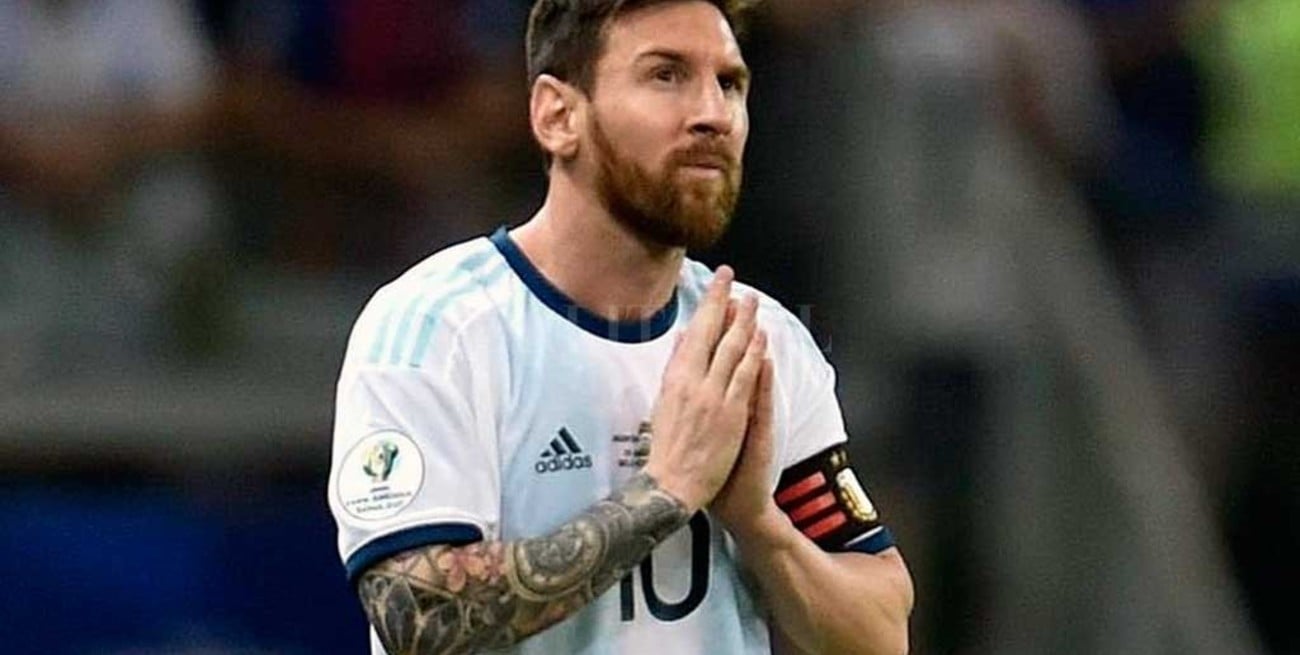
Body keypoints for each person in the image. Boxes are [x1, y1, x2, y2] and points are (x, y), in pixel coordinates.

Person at [327, 1, 914, 653]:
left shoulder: (757, 339)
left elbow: (881, 635)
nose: (713, 114)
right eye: (666, 75)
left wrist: (758, 522)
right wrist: (665, 491)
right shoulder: (434, 330)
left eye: (729, 83)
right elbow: (416, 616)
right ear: (557, 116)